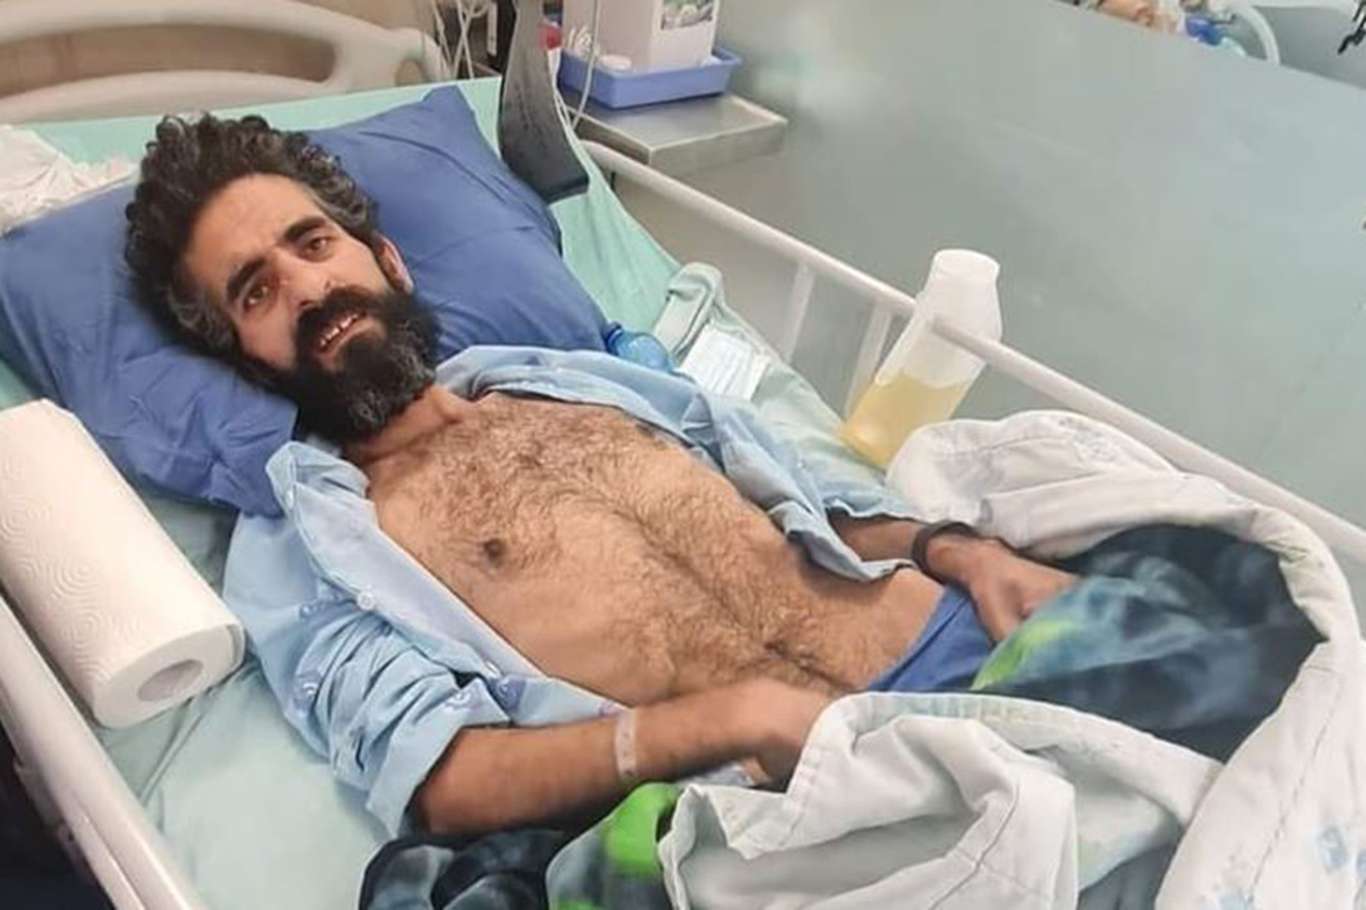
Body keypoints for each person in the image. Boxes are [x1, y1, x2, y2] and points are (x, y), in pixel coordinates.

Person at [124, 113, 1076, 838]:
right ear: (245, 365)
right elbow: (439, 780)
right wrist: (727, 720)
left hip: (981, 643)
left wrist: (963, 551)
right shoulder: (306, 543)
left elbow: (800, 501)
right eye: (255, 291)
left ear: (389, 262)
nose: (307, 288)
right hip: (799, 804)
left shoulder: (570, 375)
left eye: (313, 243)